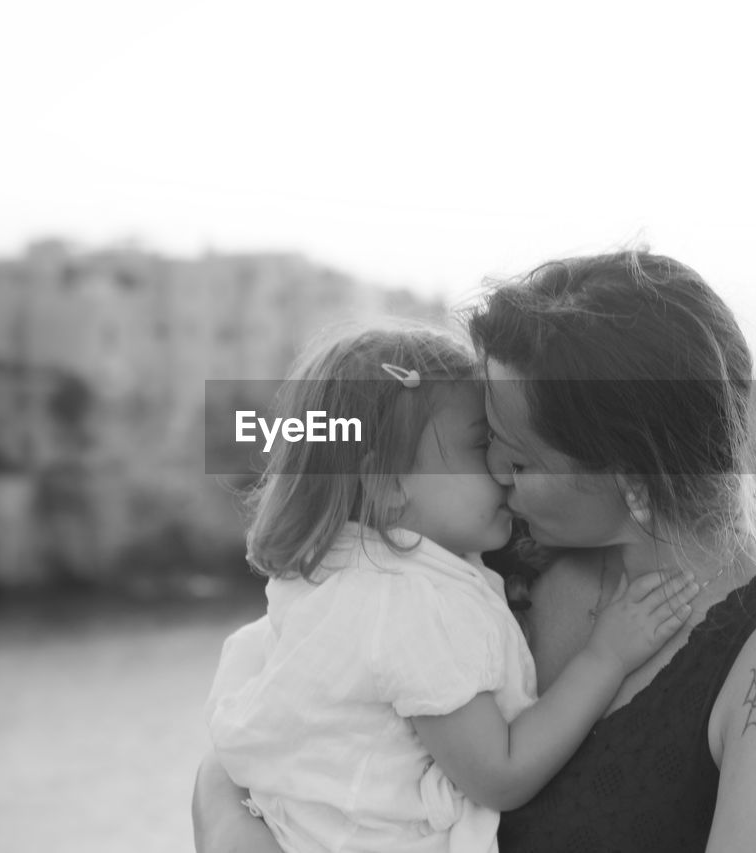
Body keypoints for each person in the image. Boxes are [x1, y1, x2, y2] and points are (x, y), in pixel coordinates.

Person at [194, 251, 756, 853]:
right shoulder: (489, 558)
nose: (496, 477)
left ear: (630, 475)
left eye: (517, 457)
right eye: (487, 449)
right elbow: (263, 728)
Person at [204, 325, 698, 853]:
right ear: (389, 483)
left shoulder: (332, 575)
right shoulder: (413, 606)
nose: (502, 465)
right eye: (482, 443)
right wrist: (606, 656)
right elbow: (500, 774)